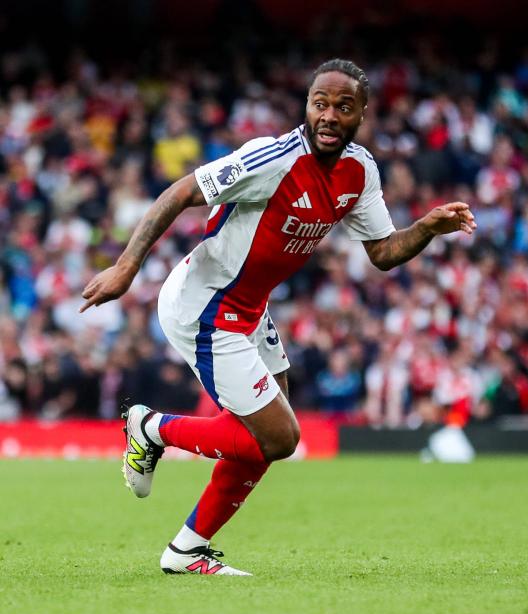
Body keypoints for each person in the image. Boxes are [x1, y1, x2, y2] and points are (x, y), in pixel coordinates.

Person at [78, 59, 477, 575]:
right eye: (320, 103)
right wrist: (126, 267)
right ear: (306, 106)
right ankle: (151, 427)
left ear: (361, 115)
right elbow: (180, 193)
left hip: (249, 307)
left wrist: (425, 227)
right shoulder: (271, 158)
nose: (329, 115)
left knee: (266, 436)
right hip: (203, 305)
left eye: (343, 107)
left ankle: (186, 551)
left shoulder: (360, 171)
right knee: (281, 437)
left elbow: (382, 252)